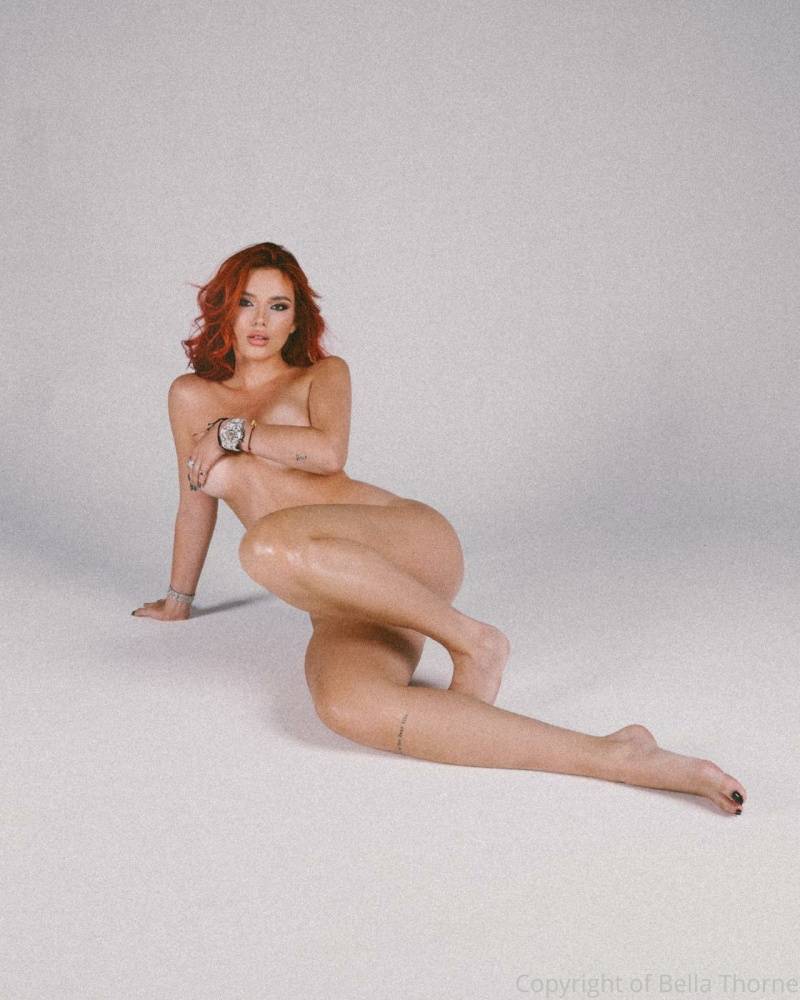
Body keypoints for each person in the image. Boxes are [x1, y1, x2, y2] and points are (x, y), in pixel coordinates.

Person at [132, 241, 747, 816]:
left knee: (264, 547)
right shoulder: (190, 397)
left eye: (278, 306)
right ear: (225, 307)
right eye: (246, 302)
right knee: (347, 707)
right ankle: (617, 755)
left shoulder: (323, 375)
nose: (260, 320)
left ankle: (473, 642)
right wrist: (179, 599)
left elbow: (327, 454)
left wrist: (233, 434)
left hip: (403, 543)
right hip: (345, 595)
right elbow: (194, 500)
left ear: (297, 321)